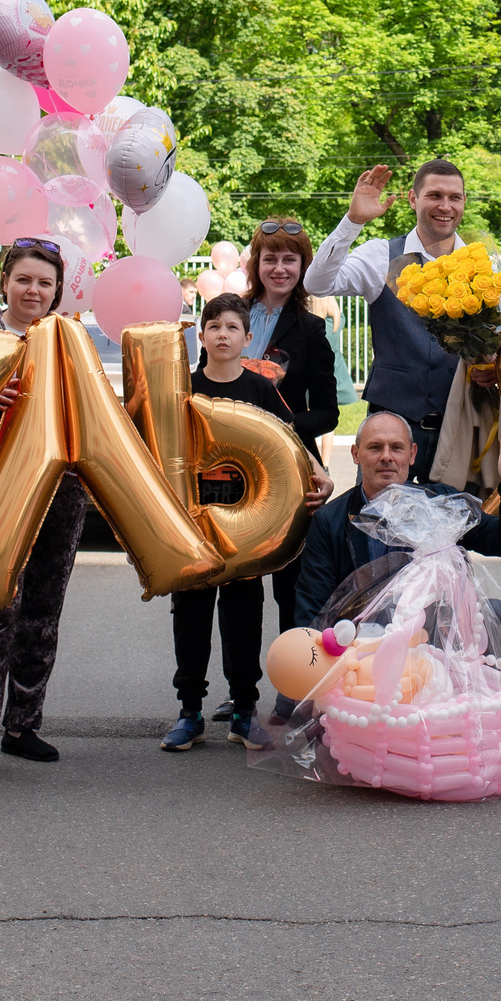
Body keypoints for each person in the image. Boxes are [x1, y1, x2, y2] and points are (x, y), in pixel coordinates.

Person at [161, 293, 330, 753]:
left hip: (248, 528)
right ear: (202, 335)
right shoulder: (185, 388)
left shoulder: (258, 390)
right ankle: (189, 711)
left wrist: (321, 474)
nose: (222, 335)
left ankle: (242, 709)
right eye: (214, 327)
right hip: (194, 526)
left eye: (232, 328)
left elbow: (290, 442)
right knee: (191, 620)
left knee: (243, 620)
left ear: (247, 338)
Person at [0, 238, 89, 775]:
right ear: (6, 280)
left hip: (62, 485)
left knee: (43, 611)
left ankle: (22, 725)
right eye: (25, 279)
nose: (34, 291)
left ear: (57, 291)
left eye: (45, 283)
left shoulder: (68, 337)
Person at [306, 159, 494, 476]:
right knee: (378, 523)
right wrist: (353, 221)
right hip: (389, 436)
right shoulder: (381, 255)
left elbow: (498, 342)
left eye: (454, 197)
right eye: (435, 195)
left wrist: (494, 369)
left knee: (456, 524)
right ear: (412, 199)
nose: (445, 206)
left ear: (463, 202)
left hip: (460, 431)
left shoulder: (483, 267)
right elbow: (317, 284)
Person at [292, 410, 501, 637]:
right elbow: (313, 608)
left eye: (397, 448)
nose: (386, 457)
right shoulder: (330, 521)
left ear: (412, 455)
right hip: (362, 643)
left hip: (435, 638)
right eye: (375, 447)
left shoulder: (440, 503)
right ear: (356, 454)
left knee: (500, 616)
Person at [239, 216, 342, 644]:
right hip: (230, 464)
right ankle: (240, 696)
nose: (279, 268)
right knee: (238, 586)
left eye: (290, 260)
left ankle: (292, 685)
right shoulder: (230, 313)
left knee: (291, 586)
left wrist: (281, 427)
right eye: (270, 259)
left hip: (289, 465)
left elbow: (329, 413)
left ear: (303, 267)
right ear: (256, 264)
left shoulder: (311, 328)